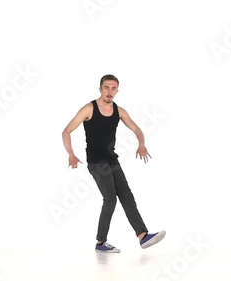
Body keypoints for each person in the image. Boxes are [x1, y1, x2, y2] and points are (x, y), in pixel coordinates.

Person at [62, 74, 166, 253]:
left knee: (126, 195)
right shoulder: (89, 108)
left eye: (113, 88)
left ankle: (143, 236)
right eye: (106, 88)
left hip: (112, 160)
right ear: (100, 89)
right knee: (110, 198)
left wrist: (141, 143)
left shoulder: (119, 111)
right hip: (96, 162)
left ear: (117, 90)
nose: (110, 92)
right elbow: (66, 131)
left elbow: (136, 129)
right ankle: (101, 243)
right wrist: (71, 154)